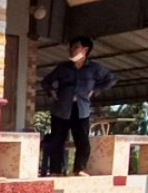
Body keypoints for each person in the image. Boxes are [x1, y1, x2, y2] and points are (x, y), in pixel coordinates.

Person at [41, 36, 115, 176]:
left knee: (82, 141)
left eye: (75, 47)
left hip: (81, 110)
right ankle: (55, 171)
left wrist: (96, 90)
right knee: (57, 140)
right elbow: (46, 82)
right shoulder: (63, 68)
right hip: (61, 109)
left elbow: (110, 79)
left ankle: (79, 169)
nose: (71, 50)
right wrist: (52, 92)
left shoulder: (94, 68)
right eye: (71, 48)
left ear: (85, 50)